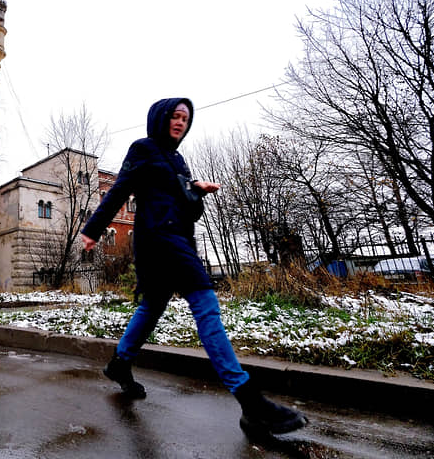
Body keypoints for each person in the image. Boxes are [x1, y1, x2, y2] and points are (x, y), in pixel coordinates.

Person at [80, 97, 307, 435]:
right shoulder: (142, 148)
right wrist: (93, 229)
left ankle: (119, 364)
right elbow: (119, 189)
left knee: (152, 307)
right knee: (206, 304)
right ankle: (250, 402)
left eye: (186, 118)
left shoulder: (178, 159)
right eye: (175, 116)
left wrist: (195, 190)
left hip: (178, 240)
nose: (180, 122)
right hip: (159, 240)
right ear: (161, 118)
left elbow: (187, 208)